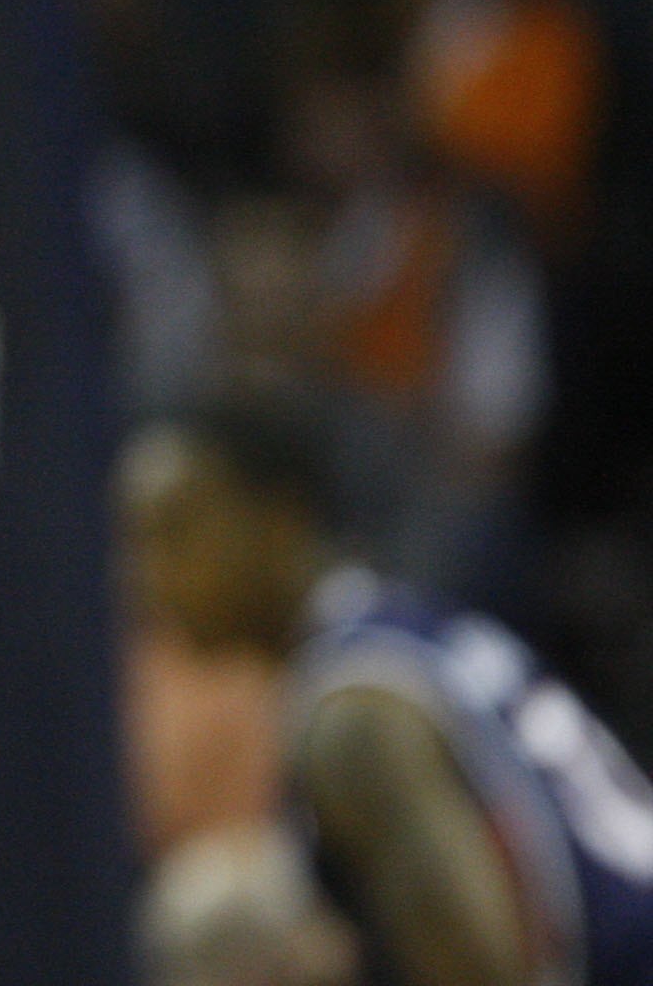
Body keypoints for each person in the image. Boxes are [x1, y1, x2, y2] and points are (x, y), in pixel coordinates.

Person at [122, 396, 653, 986]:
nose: (148, 576)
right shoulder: (405, 632)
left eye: (176, 532)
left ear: (277, 521)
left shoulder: (354, 724)